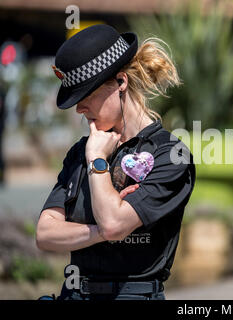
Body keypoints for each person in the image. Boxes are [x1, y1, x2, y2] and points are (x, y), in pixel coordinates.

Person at [35, 24, 195, 300]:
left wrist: (98, 162)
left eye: (85, 96)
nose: (79, 108)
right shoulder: (80, 151)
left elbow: (114, 224)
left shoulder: (169, 155)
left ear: (121, 82)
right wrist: (100, 232)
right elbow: (46, 233)